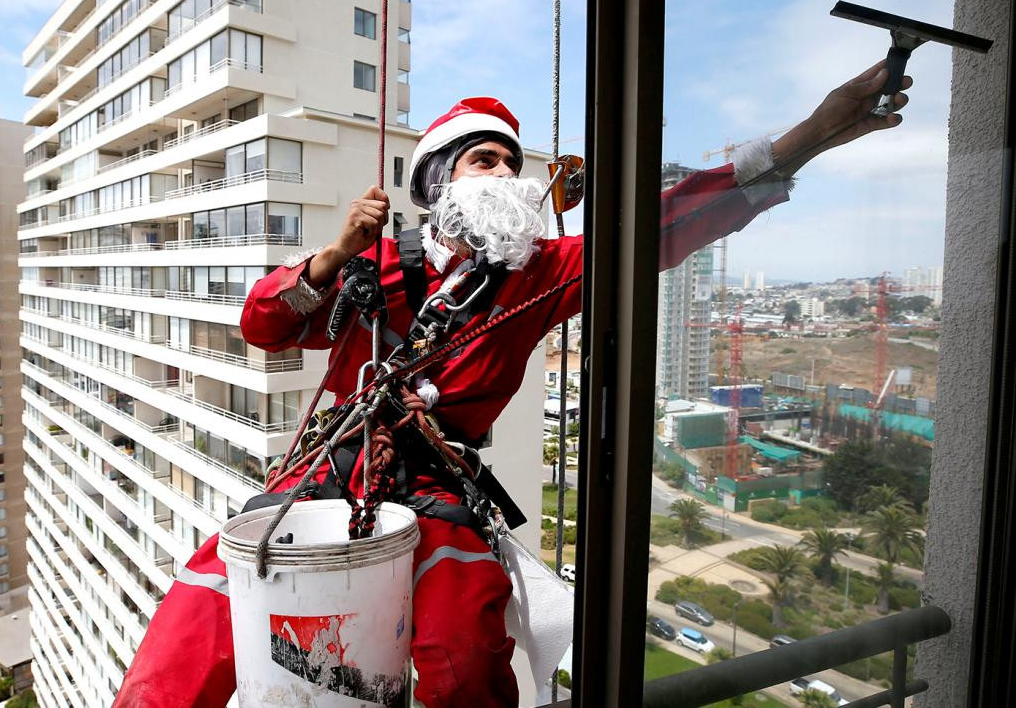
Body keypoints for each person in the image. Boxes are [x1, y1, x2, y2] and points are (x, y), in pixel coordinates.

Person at [113, 61, 909, 707]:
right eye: (483, 158)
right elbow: (265, 325)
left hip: (434, 487)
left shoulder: (537, 274)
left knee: (463, 656)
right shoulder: (376, 265)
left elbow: (665, 224)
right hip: (325, 472)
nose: (504, 171)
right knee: (189, 634)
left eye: (511, 162)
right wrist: (330, 254)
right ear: (439, 182)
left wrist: (811, 133)